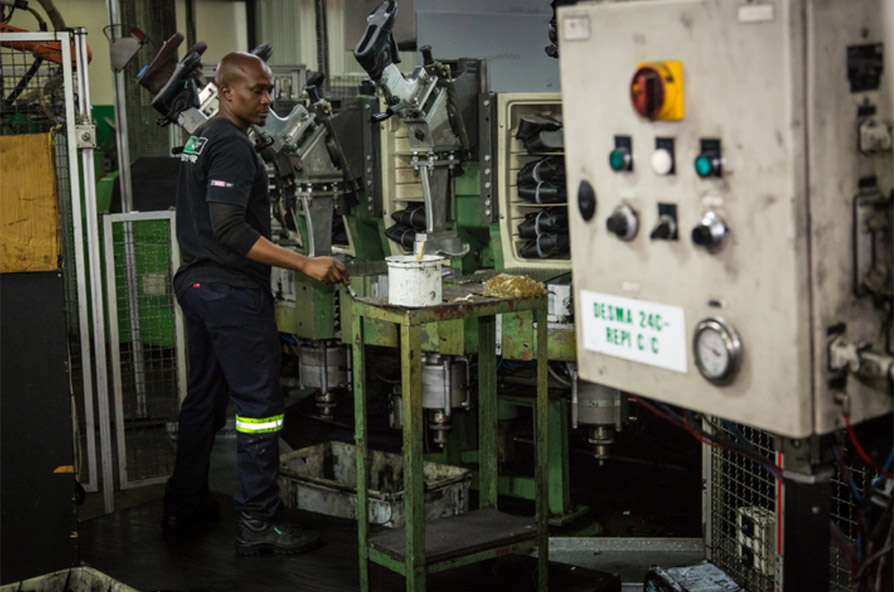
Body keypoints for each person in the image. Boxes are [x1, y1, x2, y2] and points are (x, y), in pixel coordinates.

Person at [161, 51, 349, 556]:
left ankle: (183, 503)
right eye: (257, 90)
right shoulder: (231, 146)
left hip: (198, 286)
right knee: (259, 408)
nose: (268, 100)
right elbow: (230, 229)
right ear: (226, 92)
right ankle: (259, 521)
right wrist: (304, 262)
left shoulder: (201, 138)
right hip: (230, 293)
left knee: (204, 398)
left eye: (270, 90)